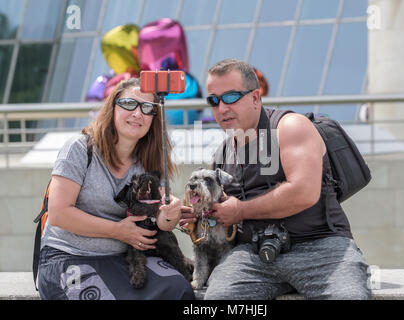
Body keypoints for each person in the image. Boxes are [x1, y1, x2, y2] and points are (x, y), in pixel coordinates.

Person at [180, 58, 372, 300]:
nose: (222, 108)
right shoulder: (221, 154)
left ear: (255, 98)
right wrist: (200, 215)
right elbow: (222, 214)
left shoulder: (290, 127)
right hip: (252, 255)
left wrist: (240, 210)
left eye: (230, 97)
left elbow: (303, 192)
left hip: (320, 248)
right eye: (214, 100)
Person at [37, 78, 194, 300]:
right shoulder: (80, 148)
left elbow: (161, 222)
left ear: (153, 118)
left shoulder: (149, 160)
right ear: (112, 108)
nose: (138, 113)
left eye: (147, 108)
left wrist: (169, 214)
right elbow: (59, 213)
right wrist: (117, 230)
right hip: (69, 256)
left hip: (123, 259)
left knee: (179, 290)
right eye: (129, 104)